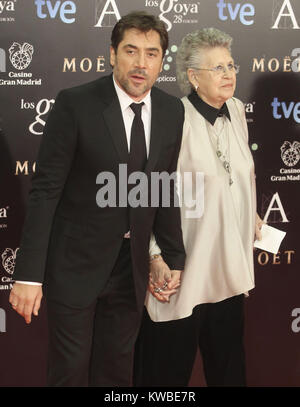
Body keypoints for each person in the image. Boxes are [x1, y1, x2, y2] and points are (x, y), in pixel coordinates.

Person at [9, 11, 185, 387]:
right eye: (131, 51)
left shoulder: (172, 110)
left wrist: (169, 255)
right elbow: (45, 192)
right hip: (74, 264)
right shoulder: (76, 104)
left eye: (151, 54)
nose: (141, 64)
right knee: (69, 372)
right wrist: (27, 274)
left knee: (116, 372)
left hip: (130, 266)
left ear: (161, 61)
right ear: (112, 54)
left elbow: (163, 185)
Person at [134, 27, 264, 387]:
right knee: (165, 375)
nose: (229, 74)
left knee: (228, 371)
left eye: (231, 65)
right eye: (217, 68)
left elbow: (236, 175)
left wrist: (249, 212)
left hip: (227, 270)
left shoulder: (236, 111)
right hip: (180, 273)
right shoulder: (171, 118)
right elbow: (150, 190)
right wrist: (155, 256)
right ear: (193, 76)